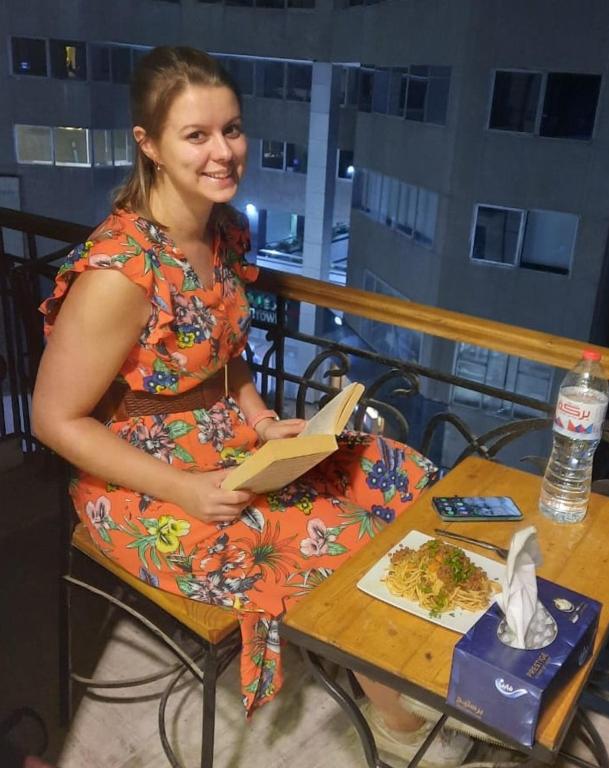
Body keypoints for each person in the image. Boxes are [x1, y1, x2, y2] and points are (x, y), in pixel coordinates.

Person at [32, 47, 471, 766]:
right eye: (196, 135)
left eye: (231, 130)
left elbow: (226, 352)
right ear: (148, 144)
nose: (222, 151)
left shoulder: (225, 231)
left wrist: (264, 420)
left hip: (224, 439)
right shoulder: (121, 272)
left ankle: (399, 661)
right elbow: (55, 420)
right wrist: (185, 489)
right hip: (137, 476)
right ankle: (401, 729)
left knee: (398, 471)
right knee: (341, 533)